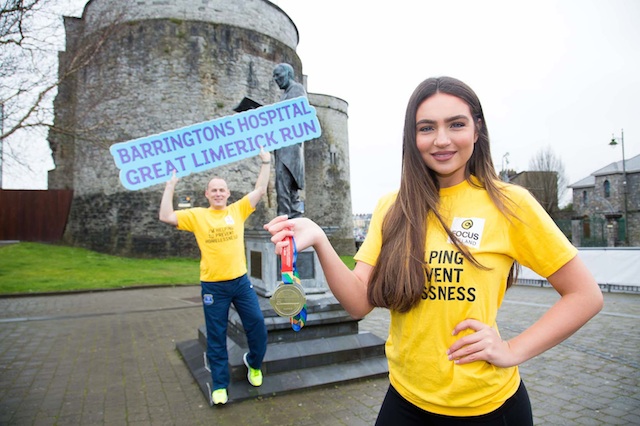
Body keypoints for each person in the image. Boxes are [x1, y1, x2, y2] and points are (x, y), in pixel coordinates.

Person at [264, 76, 603, 425]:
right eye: (426, 128)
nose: (441, 140)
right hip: (405, 401)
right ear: (412, 137)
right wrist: (320, 239)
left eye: (456, 124)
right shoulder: (391, 206)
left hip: (486, 408)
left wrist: (513, 349)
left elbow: (584, 295)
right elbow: (358, 303)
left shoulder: (510, 203)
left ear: (477, 130)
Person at [159, 148, 271, 406]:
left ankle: (253, 364)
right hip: (213, 287)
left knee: (256, 326)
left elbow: (260, 191)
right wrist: (170, 186)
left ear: (228, 193)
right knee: (217, 335)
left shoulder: (237, 210)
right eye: (214, 190)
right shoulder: (198, 216)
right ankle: (220, 385)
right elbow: (166, 216)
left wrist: (266, 162)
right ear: (207, 194)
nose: (219, 193)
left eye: (222, 190)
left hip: (241, 284)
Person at [273, 63, 306, 218]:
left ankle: (285, 224)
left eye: (278, 75)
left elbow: (294, 116)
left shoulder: (297, 89)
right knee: (285, 190)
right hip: (283, 149)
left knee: (284, 188)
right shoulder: (286, 93)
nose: (275, 79)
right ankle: (292, 223)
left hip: (289, 150)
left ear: (288, 73)